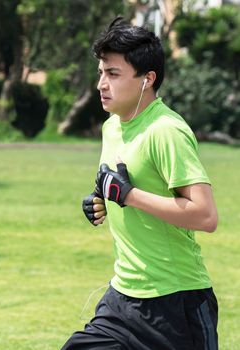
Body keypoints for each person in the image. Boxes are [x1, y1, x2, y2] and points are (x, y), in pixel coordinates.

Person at [61, 17, 218, 350]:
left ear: (148, 79)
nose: (102, 83)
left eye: (113, 74)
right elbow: (121, 181)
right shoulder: (112, 126)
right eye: (101, 72)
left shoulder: (165, 130)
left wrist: (130, 196)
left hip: (176, 303)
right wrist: (99, 198)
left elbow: (205, 216)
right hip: (122, 299)